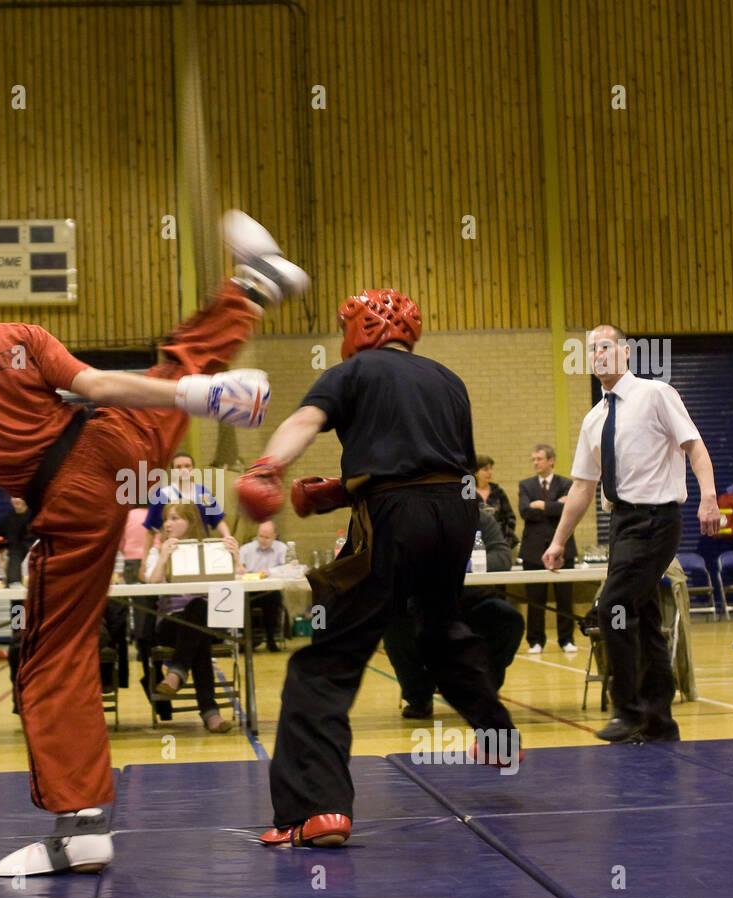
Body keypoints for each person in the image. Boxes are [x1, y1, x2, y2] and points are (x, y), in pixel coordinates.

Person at [0, 211, 305, 876]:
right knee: (175, 361)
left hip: (69, 498)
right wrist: (193, 395)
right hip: (111, 445)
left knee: (50, 657)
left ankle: (81, 823)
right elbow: (94, 386)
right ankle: (252, 290)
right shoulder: (20, 334)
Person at [235, 288, 521, 849]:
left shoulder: (352, 373)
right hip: (456, 518)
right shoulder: (448, 379)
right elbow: (434, 468)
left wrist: (269, 466)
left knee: (326, 662)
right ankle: (498, 736)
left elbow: (305, 421)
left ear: (358, 329)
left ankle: (317, 809)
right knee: (440, 626)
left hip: (397, 520)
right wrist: (344, 492)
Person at [542, 324, 721, 742]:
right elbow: (583, 487)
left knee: (613, 606)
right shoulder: (594, 418)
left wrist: (708, 497)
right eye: (591, 350)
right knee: (640, 615)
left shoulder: (656, 395)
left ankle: (627, 709)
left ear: (625, 353)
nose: (597, 356)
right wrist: (558, 540)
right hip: (622, 524)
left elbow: (694, 445)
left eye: (605, 347)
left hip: (657, 519)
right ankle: (659, 719)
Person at [384, 504, 524, 717]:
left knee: (508, 619)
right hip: (422, 605)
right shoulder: (409, 519)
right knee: (394, 624)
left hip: (473, 603)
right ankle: (419, 697)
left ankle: (482, 692)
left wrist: (464, 565)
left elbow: (502, 556)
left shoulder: (481, 519)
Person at [143, 502, 239, 732]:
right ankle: (210, 713)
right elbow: (151, 584)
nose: (167, 523)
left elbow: (236, 583)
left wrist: (235, 559)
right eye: (167, 518)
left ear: (191, 522)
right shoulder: (158, 550)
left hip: (207, 623)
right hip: (170, 624)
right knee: (198, 637)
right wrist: (163, 558)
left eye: (175, 518)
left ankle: (176, 672)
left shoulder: (209, 549)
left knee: (197, 610)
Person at [518, 444, 577, 653]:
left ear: (551, 460)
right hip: (533, 549)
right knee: (535, 598)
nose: (535, 463)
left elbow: (569, 509)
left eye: (539, 459)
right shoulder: (525, 485)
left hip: (563, 548)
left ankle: (567, 639)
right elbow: (525, 511)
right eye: (533, 459)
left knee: (564, 598)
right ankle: (535, 640)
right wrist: (554, 505)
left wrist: (541, 505)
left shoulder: (566, 483)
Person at [138, 452, 229, 578]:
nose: (183, 470)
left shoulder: (203, 494)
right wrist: (144, 562)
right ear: (172, 471)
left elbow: (217, 520)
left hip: (201, 552)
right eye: (179, 467)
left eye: (187, 466)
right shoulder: (162, 496)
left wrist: (227, 537)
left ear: (193, 470)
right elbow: (150, 531)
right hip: (173, 553)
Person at [238, 519, 286, 651]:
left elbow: (286, 567)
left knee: (274, 599)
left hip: (270, 590)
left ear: (274, 536)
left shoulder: (281, 548)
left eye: (267, 537)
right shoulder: (246, 549)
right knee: (239, 600)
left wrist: (270, 572)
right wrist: (240, 570)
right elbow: (238, 568)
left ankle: (271, 640)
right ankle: (247, 641)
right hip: (249, 589)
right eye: (260, 536)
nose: (263, 540)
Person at [472, 454, 517, 550]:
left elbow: (510, 519)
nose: (490, 472)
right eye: (485, 469)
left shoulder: (498, 492)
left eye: (491, 469)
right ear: (476, 472)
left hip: (497, 542)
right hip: (474, 544)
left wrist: (505, 541)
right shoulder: (468, 493)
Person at [0, 496, 34, 585]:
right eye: (14, 497)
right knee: (13, 584)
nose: (16, 500)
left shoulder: (34, 517)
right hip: (14, 559)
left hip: (32, 559)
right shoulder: (7, 519)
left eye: (20, 497)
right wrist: (1, 561)